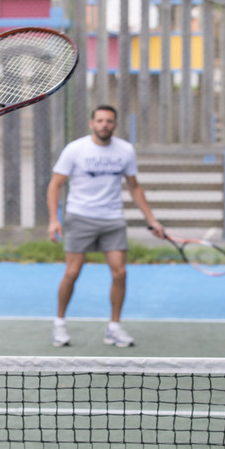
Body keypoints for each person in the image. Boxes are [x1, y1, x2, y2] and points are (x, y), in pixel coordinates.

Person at [46, 104, 164, 348]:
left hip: (113, 219)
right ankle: (59, 323)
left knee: (120, 272)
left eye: (109, 121)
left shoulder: (125, 150)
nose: (104, 125)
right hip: (80, 217)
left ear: (115, 125)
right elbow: (55, 184)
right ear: (92, 124)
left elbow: (134, 186)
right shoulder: (75, 149)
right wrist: (53, 219)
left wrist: (151, 219)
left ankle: (114, 327)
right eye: (99, 121)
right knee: (72, 272)